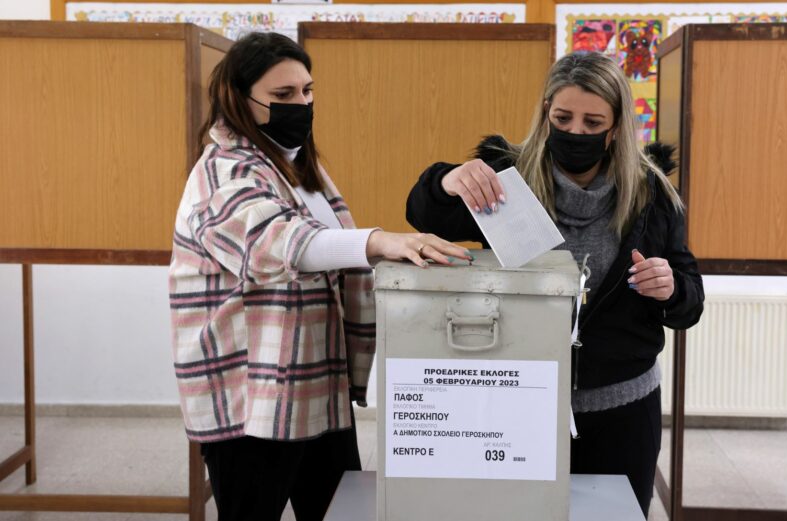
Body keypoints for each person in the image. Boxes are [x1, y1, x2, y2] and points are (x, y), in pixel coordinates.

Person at [168, 32, 469, 521]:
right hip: (252, 397)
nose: (301, 104)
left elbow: (326, 255)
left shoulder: (296, 166)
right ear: (238, 99)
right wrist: (380, 241)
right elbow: (275, 242)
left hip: (314, 385)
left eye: (307, 91)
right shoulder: (223, 171)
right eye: (283, 95)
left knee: (338, 511)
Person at [405, 51, 704, 516]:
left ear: (617, 126)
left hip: (622, 410)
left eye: (593, 122)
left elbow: (690, 300)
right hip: (517, 405)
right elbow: (423, 214)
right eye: (563, 117)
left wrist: (672, 288)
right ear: (546, 112)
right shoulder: (507, 179)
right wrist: (448, 179)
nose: (576, 133)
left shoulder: (651, 193)